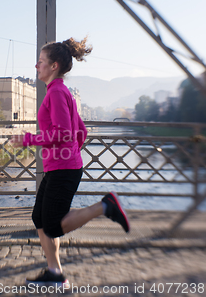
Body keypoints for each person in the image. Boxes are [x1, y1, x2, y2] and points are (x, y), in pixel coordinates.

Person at [11, 37, 130, 288]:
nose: (36, 66)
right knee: (40, 219)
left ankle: (105, 207)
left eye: (40, 62)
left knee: (53, 224)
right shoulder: (62, 91)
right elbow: (81, 132)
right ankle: (54, 272)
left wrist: (28, 139)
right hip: (62, 166)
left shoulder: (56, 92)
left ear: (53, 66)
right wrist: (69, 152)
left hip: (63, 169)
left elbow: (64, 133)